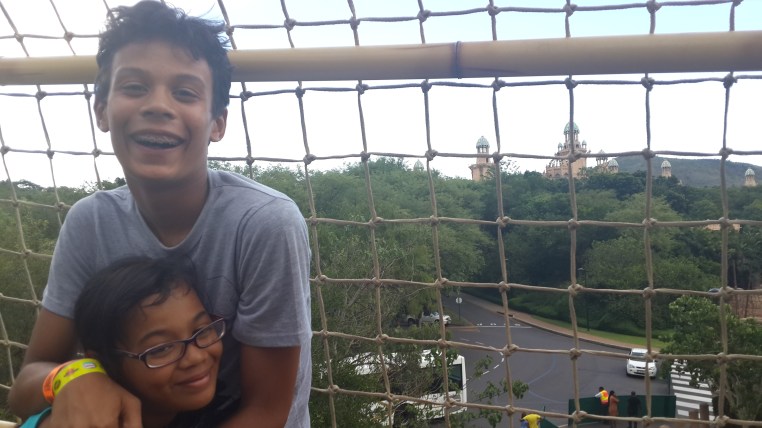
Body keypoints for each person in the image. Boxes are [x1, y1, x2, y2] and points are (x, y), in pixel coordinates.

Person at [7, 1, 312, 427]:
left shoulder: (263, 223)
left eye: (185, 92)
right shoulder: (89, 222)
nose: (158, 106)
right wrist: (74, 376)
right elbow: (25, 388)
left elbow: (266, 411)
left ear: (217, 123)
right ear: (101, 110)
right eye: (134, 87)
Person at [21, 257, 229, 427]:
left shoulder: (218, 411)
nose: (196, 357)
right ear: (106, 362)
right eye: (162, 349)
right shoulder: (79, 422)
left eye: (202, 330)